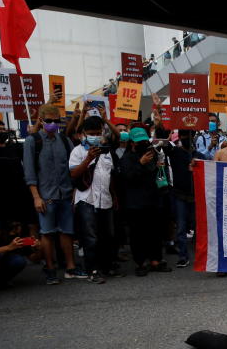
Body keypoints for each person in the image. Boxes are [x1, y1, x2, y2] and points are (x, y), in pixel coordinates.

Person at [23, 104, 81, 284]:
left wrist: (74, 190)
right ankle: (50, 269)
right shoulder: (32, 141)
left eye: (57, 121)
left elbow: (73, 168)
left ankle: (71, 267)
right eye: (49, 121)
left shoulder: (65, 141)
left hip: (65, 193)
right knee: (46, 233)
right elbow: (30, 172)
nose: (53, 124)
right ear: (41, 120)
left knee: (67, 232)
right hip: (45, 196)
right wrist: (36, 197)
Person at [69, 115, 119, 284]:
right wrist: (88, 158)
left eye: (98, 133)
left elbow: (109, 175)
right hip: (86, 200)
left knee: (108, 235)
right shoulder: (77, 151)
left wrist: (114, 195)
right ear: (84, 133)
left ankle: (106, 266)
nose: (95, 136)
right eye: (91, 133)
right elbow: (73, 174)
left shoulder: (106, 151)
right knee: (90, 237)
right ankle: (92, 270)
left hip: (105, 199)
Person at [118, 127, 172, 276]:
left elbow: (159, 174)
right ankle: (141, 262)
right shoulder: (126, 158)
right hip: (135, 203)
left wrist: (159, 165)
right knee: (138, 234)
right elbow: (128, 178)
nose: (141, 144)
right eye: (138, 142)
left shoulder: (152, 154)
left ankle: (156, 260)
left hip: (153, 200)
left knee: (155, 232)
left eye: (144, 141)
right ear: (132, 143)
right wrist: (140, 163)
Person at [169, 129, 198, 267]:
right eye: (184, 136)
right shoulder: (175, 153)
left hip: (196, 196)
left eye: (189, 135)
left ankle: (201, 255)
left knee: (198, 226)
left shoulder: (198, 155)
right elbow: (162, 145)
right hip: (180, 195)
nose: (187, 138)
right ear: (179, 137)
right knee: (181, 227)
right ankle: (183, 256)